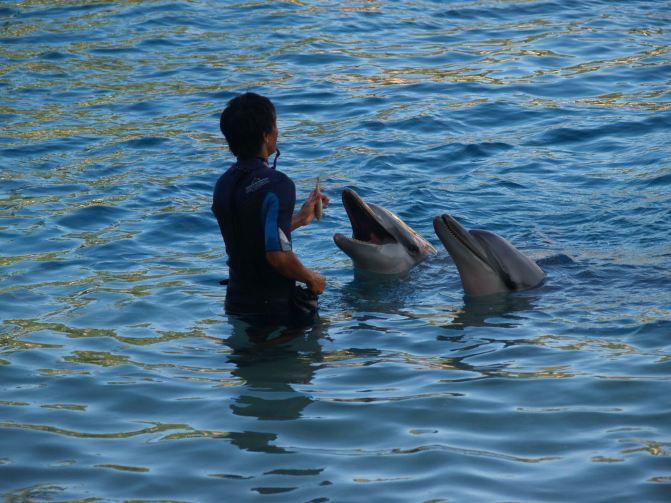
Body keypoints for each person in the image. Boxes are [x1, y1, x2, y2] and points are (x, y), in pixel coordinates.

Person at [212, 92, 329, 327]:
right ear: (266, 136)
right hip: (275, 310)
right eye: (274, 126)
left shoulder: (223, 184)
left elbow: (250, 237)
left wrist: (298, 219)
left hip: (236, 304)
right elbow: (277, 256)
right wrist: (311, 278)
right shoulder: (278, 184)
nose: (277, 132)